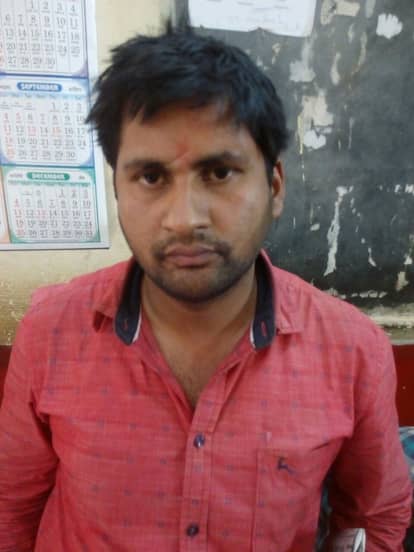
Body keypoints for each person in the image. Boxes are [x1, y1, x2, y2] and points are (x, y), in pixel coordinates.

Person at [0, 21, 411, 552]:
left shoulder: (353, 351)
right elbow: (10, 506)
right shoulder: (51, 331)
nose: (184, 218)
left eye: (218, 173)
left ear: (274, 186)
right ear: (118, 190)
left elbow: (373, 519)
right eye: (151, 177)